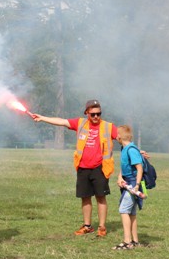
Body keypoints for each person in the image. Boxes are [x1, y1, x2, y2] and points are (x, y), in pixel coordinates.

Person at [33, 99, 118, 237]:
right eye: (93, 114)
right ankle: (87, 226)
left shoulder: (109, 127)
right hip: (83, 167)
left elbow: (123, 138)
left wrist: (136, 151)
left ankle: (102, 227)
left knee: (100, 197)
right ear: (87, 113)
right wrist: (42, 118)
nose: (96, 117)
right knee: (85, 197)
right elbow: (61, 121)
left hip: (100, 168)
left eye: (98, 114)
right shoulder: (80, 123)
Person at [113, 125, 144, 250]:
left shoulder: (131, 149)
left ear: (119, 136)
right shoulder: (124, 148)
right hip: (127, 183)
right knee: (131, 212)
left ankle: (127, 242)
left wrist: (136, 185)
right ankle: (135, 241)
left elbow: (139, 168)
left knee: (124, 210)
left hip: (133, 185)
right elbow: (124, 165)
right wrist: (120, 177)